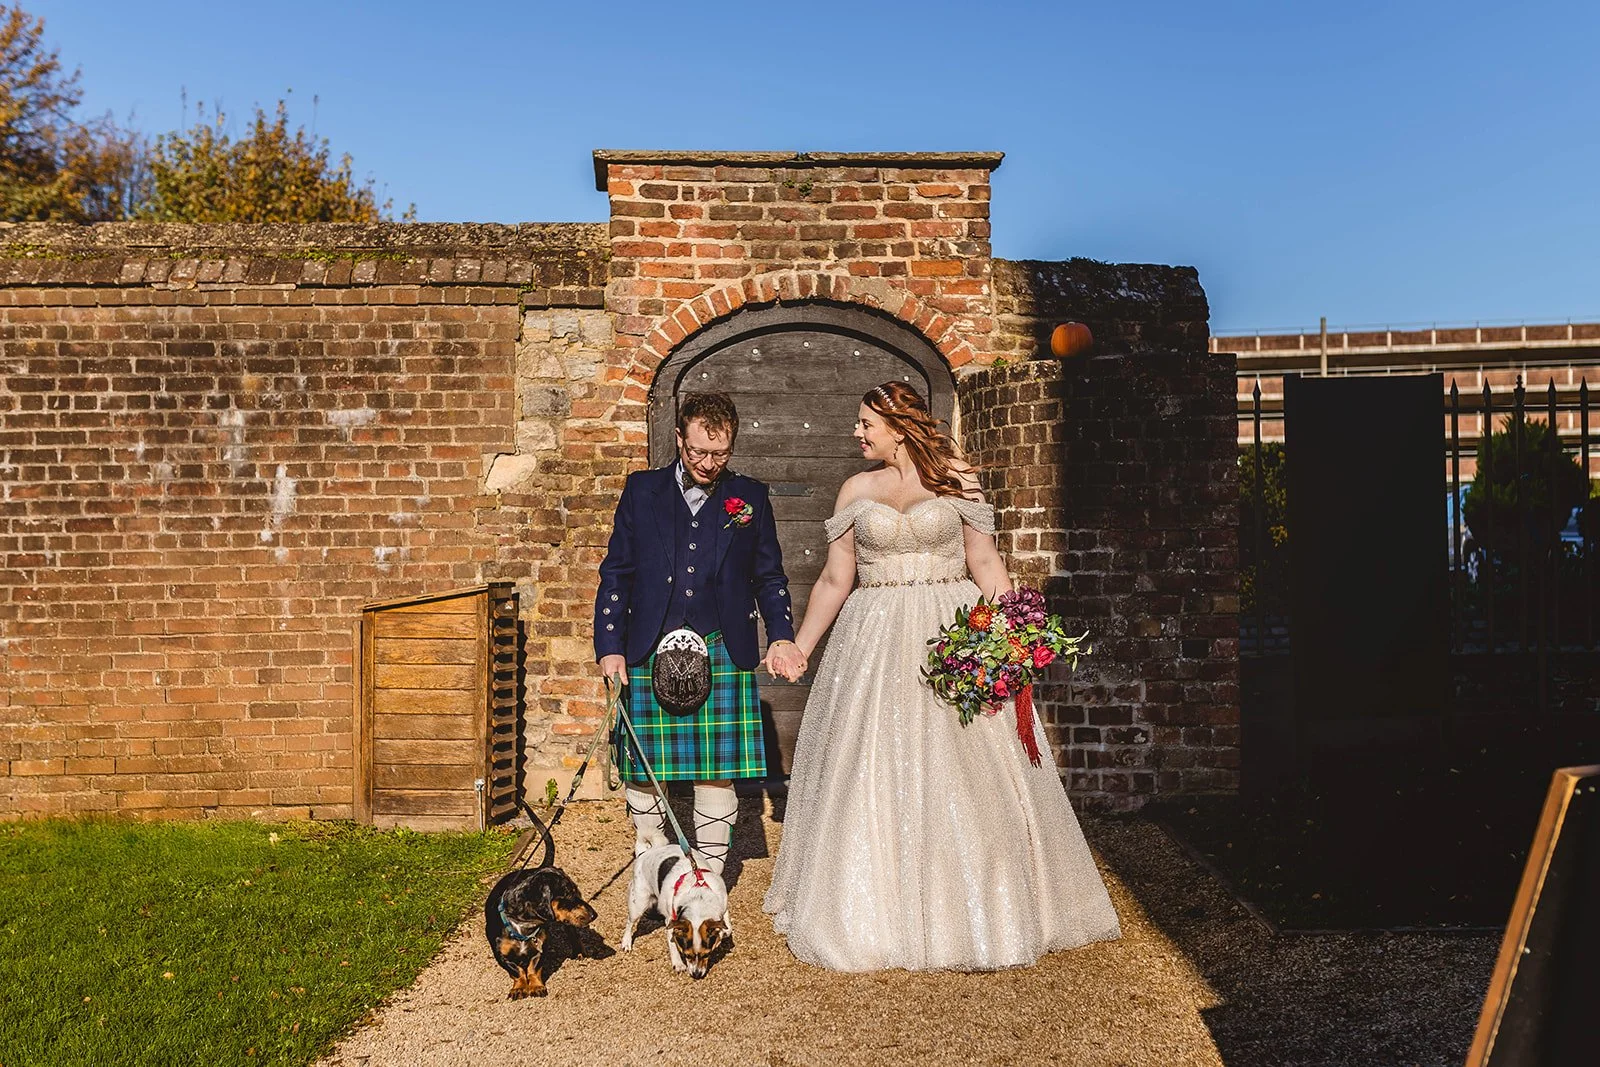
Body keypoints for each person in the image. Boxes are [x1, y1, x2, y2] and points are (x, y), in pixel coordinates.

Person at [763, 381, 1121, 971]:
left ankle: (984, 907)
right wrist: (800, 646)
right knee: (872, 760)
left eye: (866, 423)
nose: (857, 433)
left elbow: (984, 561)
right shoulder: (855, 490)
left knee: (970, 766)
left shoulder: (958, 479)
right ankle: (870, 911)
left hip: (951, 632)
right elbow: (834, 579)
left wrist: (1013, 634)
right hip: (874, 639)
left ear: (899, 426)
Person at [595, 391, 807, 876]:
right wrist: (609, 645)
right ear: (678, 438)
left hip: (721, 645)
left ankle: (707, 881)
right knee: (645, 771)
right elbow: (617, 572)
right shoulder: (642, 491)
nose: (709, 464)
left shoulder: (749, 497)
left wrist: (780, 634)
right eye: (698, 452)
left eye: (720, 454)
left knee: (716, 773)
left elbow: (769, 577)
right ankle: (653, 870)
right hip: (648, 646)